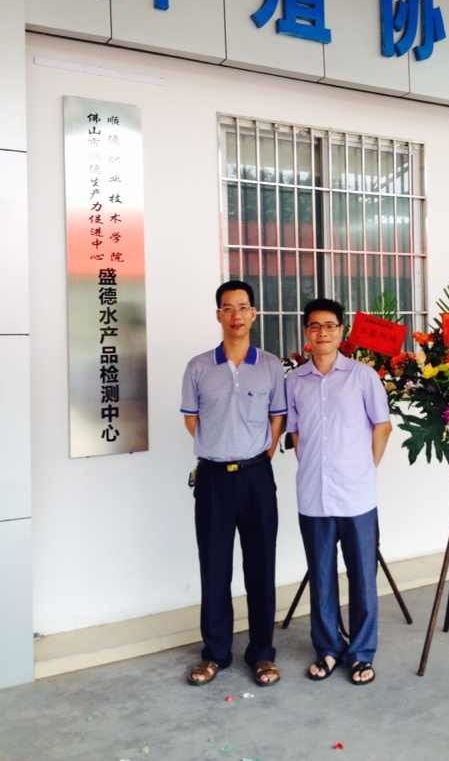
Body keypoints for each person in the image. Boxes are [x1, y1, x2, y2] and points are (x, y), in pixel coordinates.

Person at [181, 280, 286, 687]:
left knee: (261, 567)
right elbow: (191, 419)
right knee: (214, 568)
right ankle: (215, 653)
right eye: (228, 308)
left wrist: (260, 453)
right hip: (212, 480)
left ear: (254, 313)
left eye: (243, 307)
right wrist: (220, 447)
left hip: (257, 477)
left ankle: (262, 653)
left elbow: (277, 417)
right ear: (218, 315)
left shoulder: (271, 366)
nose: (236, 315)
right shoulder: (198, 367)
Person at [286, 298, 392, 686]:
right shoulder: (294, 381)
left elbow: (382, 426)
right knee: (321, 577)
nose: (322, 333)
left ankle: (361, 653)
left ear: (341, 331)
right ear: (306, 332)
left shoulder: (363, 376)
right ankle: (328, 648)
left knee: (363, 577)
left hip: (356, 497)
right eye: (315, 326)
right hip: (314, 495)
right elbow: (295, 433)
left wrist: (364, 467)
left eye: (330, 325)